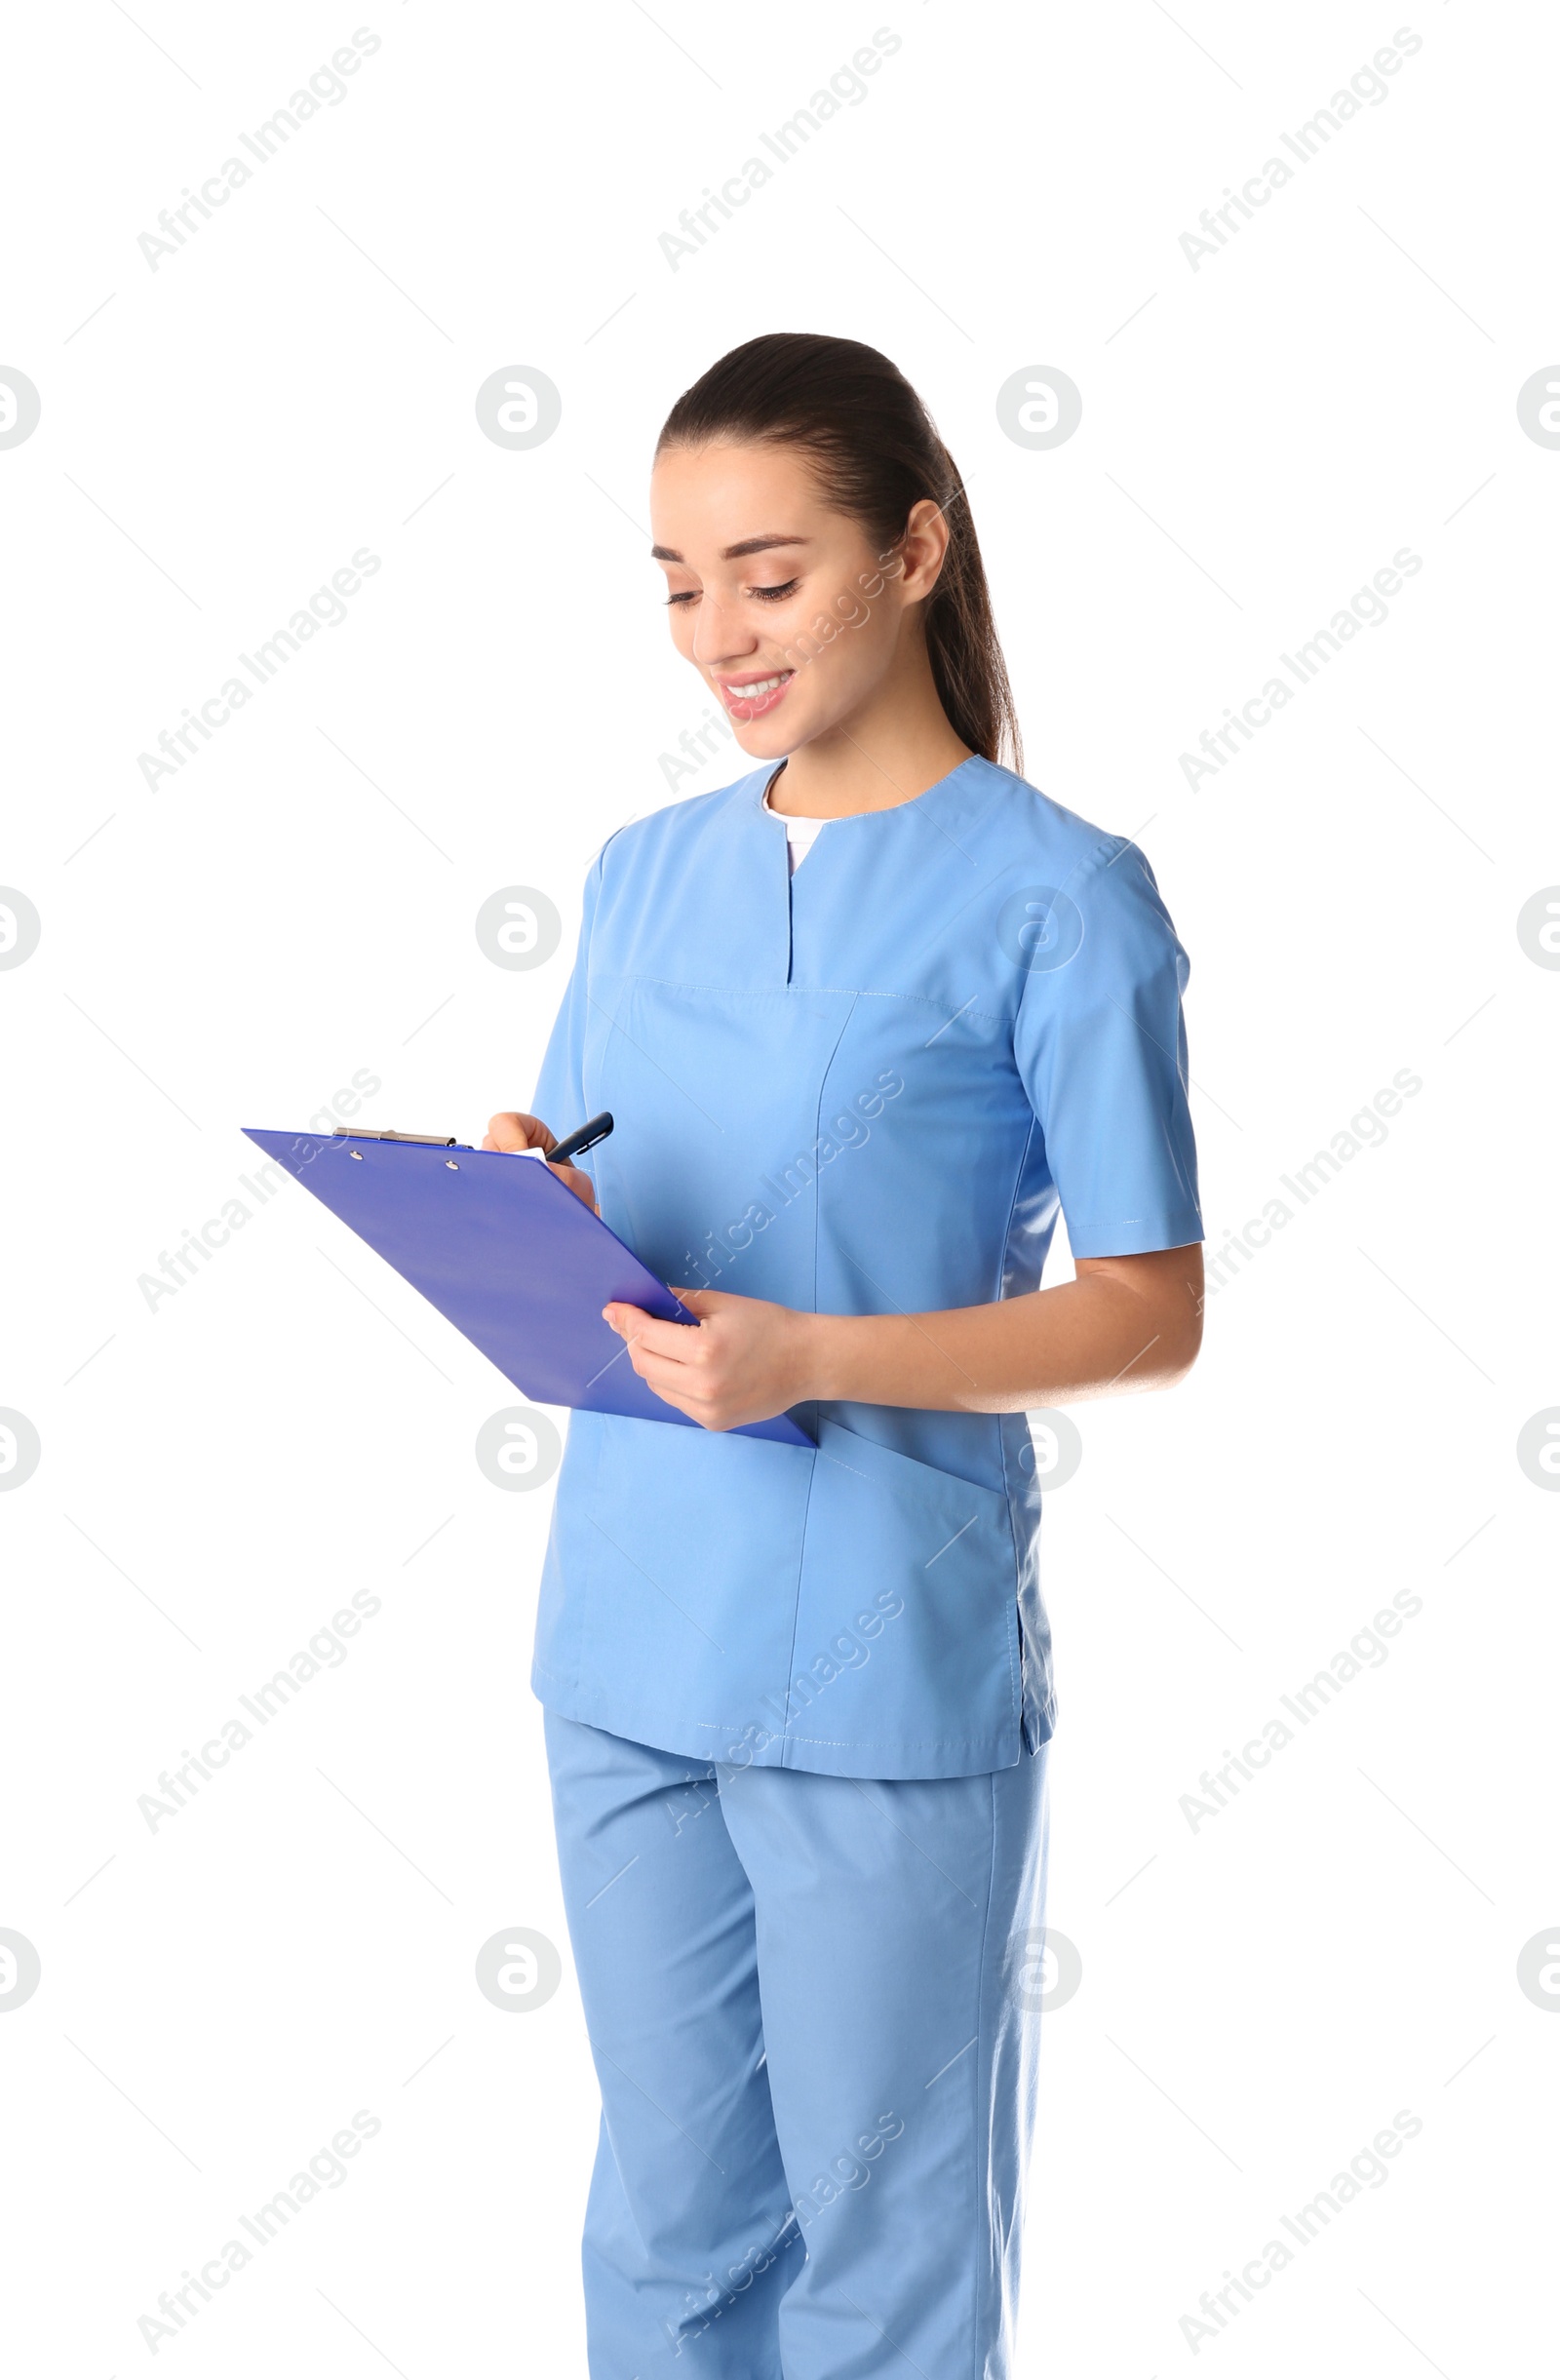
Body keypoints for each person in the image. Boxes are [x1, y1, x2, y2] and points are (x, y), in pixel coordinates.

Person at [485, 332, 1204, 2379]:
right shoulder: (639, 879)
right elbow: (615, 1235)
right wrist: (517, 1202)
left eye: (768, 572)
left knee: (884, 2260)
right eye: (675, 580)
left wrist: (816, 1356)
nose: (716, 631)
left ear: (912, 547)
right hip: (625, 1639)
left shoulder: (1061, 901)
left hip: (880, 1661)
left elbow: (1149, 1310)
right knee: (667, 2228)